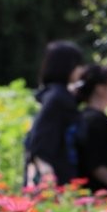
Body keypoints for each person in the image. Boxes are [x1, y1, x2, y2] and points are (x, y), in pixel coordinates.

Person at [24, 41, 84, 187]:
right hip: (54, 175)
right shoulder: (57, 97)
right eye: (78, 65)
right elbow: (40, 138)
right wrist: (46, 173)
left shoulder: (53, 93)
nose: (81, 70)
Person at [74, 65, 107, 196]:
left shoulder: (92, 118)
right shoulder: (94, 121)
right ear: (100, 88)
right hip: (101, 195)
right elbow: (96, 163)